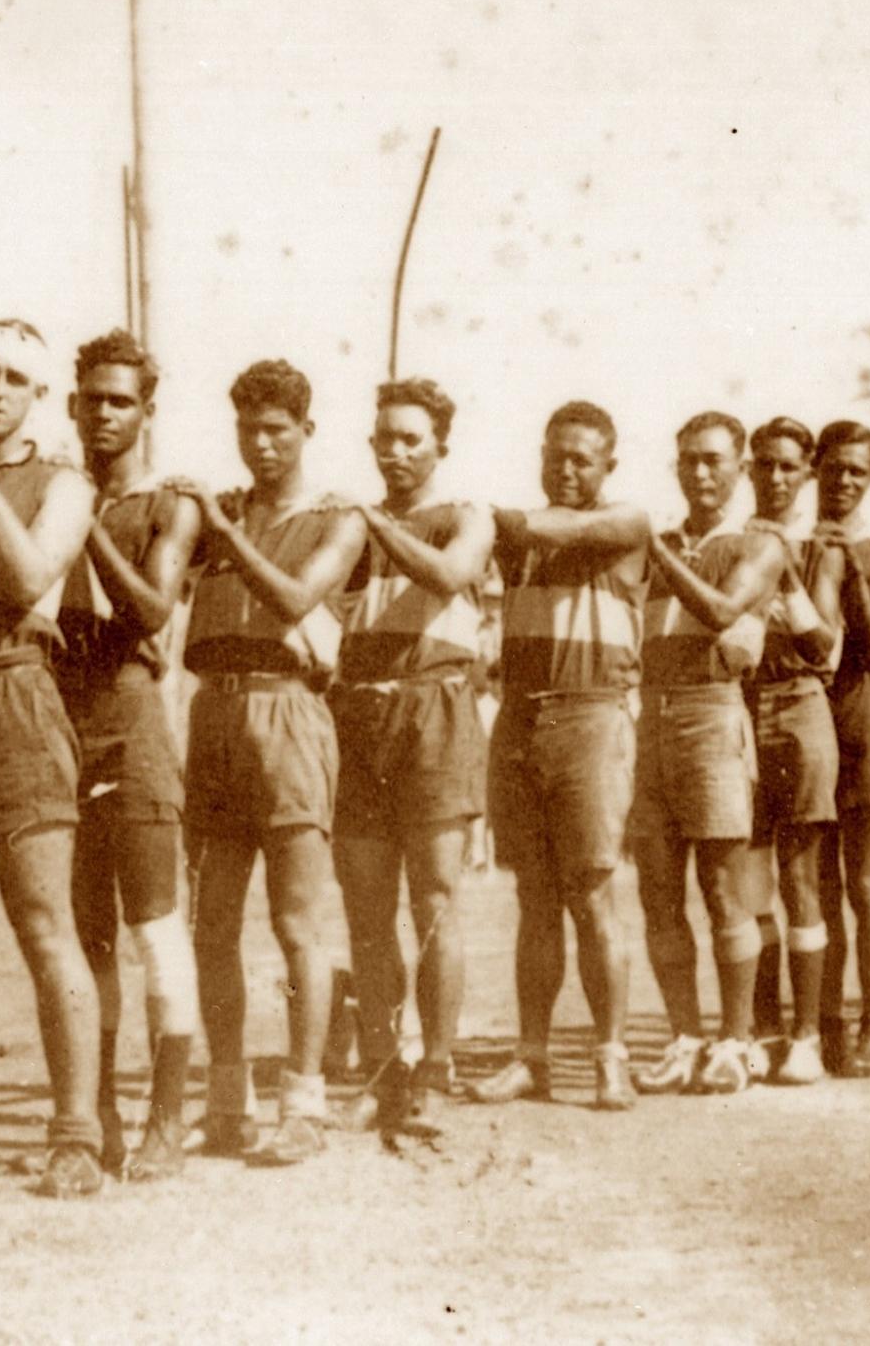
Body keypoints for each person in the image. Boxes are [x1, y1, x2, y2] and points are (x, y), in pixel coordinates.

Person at [172, 359, 366, 1164]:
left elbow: (294, 599)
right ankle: (226, 1102)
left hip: (287, 711)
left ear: (305, 431)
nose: (260, 443)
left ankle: (305, 1101)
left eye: (276, 429)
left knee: (295, 923)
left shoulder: (338, 516)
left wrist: (224, 533)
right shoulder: (218, 514)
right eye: (248, 427)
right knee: (210, 923)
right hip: (212, 710)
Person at [0, 319, 104, 1201]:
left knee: (42, 919)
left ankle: (76, 1132)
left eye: (13, 378)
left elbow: (33, 575)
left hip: (15, 691)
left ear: (37, 395)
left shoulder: (62, 479)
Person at [473, 401, 647, 1113]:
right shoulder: (517, 538)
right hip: (521, 716)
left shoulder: (627, 524)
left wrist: (484, 515)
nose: (566, 469)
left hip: (591, 714)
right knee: (534, 898)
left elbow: (551, 524)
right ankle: (532, 1056)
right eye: (555, 455)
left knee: (592, 892)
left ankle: (611, 1055)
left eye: (582, 457)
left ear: (610, 462)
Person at [58, 330, 201, 1180]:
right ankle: (98, 1107)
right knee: (85, 937)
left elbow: (149, 609)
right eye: (92, 398)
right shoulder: (55, 492)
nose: (104, 412)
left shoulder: (169, 503)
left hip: (134, 722)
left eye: (122, 400)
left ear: (146, 411)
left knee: (154, 927)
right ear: (72, 404)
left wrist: (84, 530)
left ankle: (168, 1116)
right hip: (57, 728)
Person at [331, 378, 492, 1129]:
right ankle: (385, 1067)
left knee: (433, 901)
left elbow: (448, 574)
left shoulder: (467, 514)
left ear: (439, 447)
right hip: (357, 710)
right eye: (384, 438)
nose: (394, 452)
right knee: (366, 910)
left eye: (410, 439)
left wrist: (370, 521)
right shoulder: (349, 526)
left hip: (435, 707)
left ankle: (436, 1065)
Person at [627, 413, 786, 1098]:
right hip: (648, 716)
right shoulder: (659, 541)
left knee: (724, 891)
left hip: (712, 713)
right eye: (689, 459)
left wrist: (655, 552)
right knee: (658, 892)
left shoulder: (761, 541)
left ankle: (737, 1039)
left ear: (741, 466)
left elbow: (723, 611)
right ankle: (685, 1034)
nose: (701, 472)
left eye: (715, 460)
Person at [742, 417, 842, 1084]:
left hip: (801, 703)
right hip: (737, 707)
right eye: (765, 465)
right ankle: (763, 1029)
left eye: (788, 466)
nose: (775, 478)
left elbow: (824, 645)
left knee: (800, 877)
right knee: (747, 883)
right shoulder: (729, 538)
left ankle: (806, 1035)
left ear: (808, 473)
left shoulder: (822, 545)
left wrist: (780, 570)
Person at [810, 421, 870, 1076]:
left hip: (866, 713)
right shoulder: (792, 540)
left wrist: (851, 571)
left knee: (866, 880)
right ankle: (825, 1025)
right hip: (804, 716)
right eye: (834, 468)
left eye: (857, 471)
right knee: (815, 885)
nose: (844, 481)